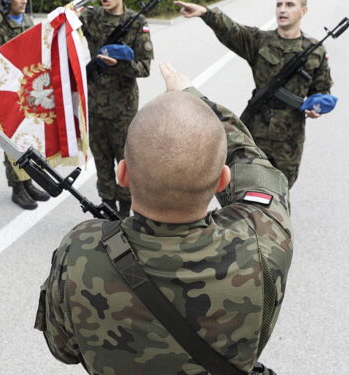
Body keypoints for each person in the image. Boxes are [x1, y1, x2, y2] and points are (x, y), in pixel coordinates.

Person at [36, 63, 293, 374]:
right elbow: (255, 167)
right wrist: (192, 97)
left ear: (122, 173)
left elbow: (62, 349)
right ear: (223, 181)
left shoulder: (80, 248)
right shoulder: (264, 241)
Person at [175, 0, 333, 188]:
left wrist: (317, 108)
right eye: (279, 4)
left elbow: (322, 91)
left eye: (290, 5)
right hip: (255, 132)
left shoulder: (315, 50)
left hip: (290, 139)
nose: (282, 9)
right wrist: (205, 13)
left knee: (280, 192)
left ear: (304, 10)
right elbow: (232, 30)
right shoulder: (260, 40)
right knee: (245, 188)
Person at [0, 0, 51, 210]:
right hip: (6, 93)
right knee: (12, 140)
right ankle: (17, 188)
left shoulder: (27, 19)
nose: (24, 1)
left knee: (29, 137)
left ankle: (28, 182)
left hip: (28, 91)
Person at [80, 0, 153, 218]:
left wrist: (119, 65)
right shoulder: (91, 17)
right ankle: (108, 208)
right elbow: (64, 27)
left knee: (125, 161)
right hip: (95, 104)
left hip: (123, 108)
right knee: (101, 160)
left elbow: (144, 67)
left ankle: (125, 212)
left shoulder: (136, 22)